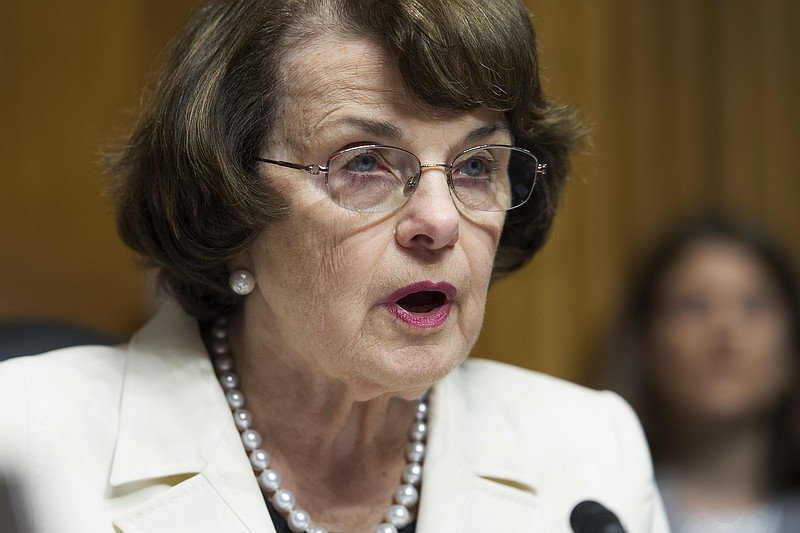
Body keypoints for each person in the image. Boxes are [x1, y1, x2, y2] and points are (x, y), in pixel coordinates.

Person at [0, 1, 669, 531]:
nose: (439, 221)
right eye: (365, 163)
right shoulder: (27, 437)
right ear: (231, 204)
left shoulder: (591, 451)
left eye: (473, 166)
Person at [606, 213, 800, 533]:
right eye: (693, 306)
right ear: (647, 342)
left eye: (753, 305)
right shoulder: (600, 506)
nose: (725, 330)